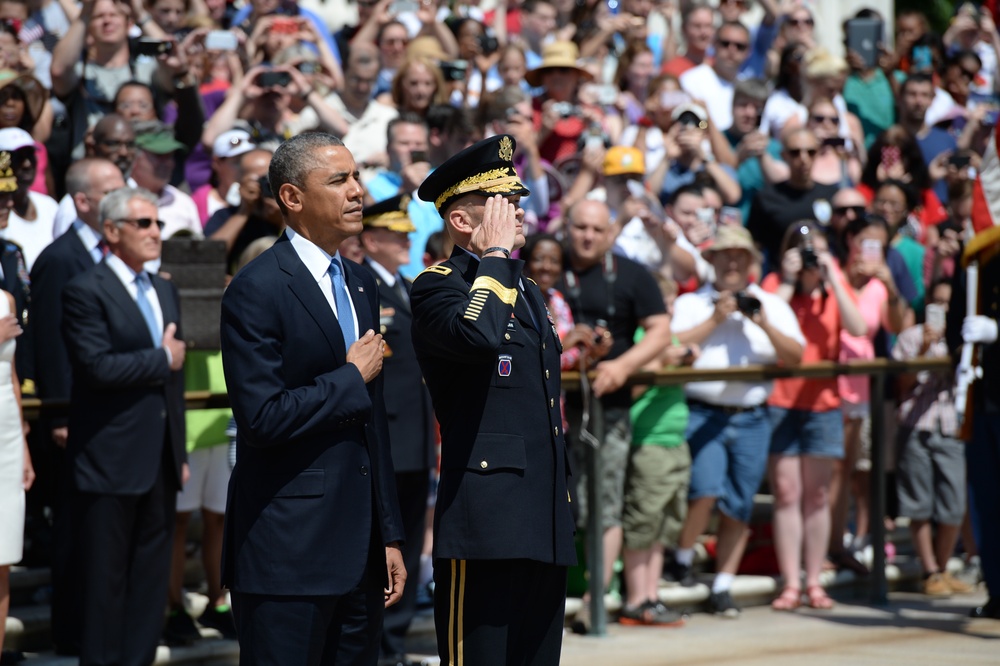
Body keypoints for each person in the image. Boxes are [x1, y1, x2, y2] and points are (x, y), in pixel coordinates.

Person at [219, 132, 405, 665]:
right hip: (286, 551)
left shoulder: (362, 283)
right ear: (292, 197)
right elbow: (261, 417)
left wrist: (388, 534)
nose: (357, 191)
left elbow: (374, 429)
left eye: (356, 177)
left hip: (360, 551)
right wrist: (349, 378)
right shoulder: (257, 287)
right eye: (338, 180)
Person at [410, 134, 576, 665]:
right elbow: (478, 338)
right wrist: (497, 256)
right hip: (484, 522)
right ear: (463, 221)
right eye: (505, 205)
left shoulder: (525, 290)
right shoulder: (439, 286)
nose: (520, 214)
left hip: (541, 515)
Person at [62, 186, 187, 665]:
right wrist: (160, 358)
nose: (156, 233)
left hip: (158, 456)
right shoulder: (85, 289)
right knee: (104, 580)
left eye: (158, 223)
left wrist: (178, 454)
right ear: (111, 231)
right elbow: (96, 367)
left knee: (150, 578)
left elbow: (172, 386)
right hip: (108, 457)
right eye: (144, 224)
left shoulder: (165, 288)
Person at [671, 224, 805, 618]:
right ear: (710, 260)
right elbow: (670, 344)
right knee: (705, 489)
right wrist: (715, 319)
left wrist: (760, 321)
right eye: (724, 255)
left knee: (739, 504)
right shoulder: (693, 302)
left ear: (750, 262)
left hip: (752, 417)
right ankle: (682, 558)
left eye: (739, 256)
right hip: (702, 410)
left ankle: (723, 585)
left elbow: (797, 356)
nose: (731, 262)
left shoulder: (770, 303)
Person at [28, 157, 125, 656]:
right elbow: (51, 343)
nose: (122, 194)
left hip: (103, 417)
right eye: (111, 190)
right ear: (83, 201)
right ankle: (70, 631)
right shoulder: (62, 257)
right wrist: (61, 414)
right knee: (73, 527)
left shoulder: (109, 254)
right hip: (74, 416)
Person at [761, 221, 867, 611]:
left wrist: (832, 276)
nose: (809, 256)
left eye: (816, 249)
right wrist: (789, 281)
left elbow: (858, 328)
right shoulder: (776, 284)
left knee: (817, 495)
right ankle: (791, 584)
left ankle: (815, 582)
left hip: (823, 405)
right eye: (803, 250)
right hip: (781, 403)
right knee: (787, 494)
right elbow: (765, 323)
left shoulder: (832, 285)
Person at [358, 194, 436, 666]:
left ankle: (396, 643)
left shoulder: (405, 286)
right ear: (371, 239)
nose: (408, 240)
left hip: (416, 436)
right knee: (384, 543)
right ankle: (381, 647)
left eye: (409, 234)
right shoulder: (365, 286)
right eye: (397, 234)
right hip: (388, 434)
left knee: (405, 537)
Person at [893, 278, 973, 598]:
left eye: (948, 303)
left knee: (954, 505)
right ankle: (930, 570)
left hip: (952, 427)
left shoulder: (964, 340)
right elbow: (901, 384)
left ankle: (941, 568)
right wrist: (925, 349)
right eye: (937, 302)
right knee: (919, 504)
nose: (942, 309)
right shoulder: (911, 337)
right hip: (916, 425)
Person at [947, 219, 1000, 620]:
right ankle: (997, 588)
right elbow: (955, 326)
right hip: (983, 397)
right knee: (985, 499)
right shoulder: (975, 260)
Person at [0, 155, 33, 657]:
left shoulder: (6, 294)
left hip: (4, 429)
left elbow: (8, 373)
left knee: (2, 558)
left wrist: (22, 443)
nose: (8, 203)